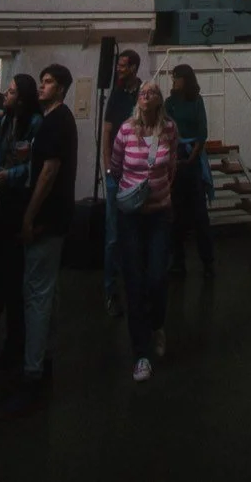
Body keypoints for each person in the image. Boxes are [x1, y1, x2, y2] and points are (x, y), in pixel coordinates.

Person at [0, 63, 75, 417]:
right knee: (47, 290)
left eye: (47, 83)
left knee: (37, 295)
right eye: (41, 82)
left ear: (60, 89)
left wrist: (29, 216)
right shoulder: (56, 121)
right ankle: (43, 358)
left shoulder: (55, 123)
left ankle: (32, 373)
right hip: (54, 219)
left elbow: (48, 171)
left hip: (46, 220)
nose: (42, 88)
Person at [108, 80, 180, 381]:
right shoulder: (126, 130)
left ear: (159, 99)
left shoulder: (169, 130)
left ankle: (157, 324)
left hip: (159, 214)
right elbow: (117, 163)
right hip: (132, 217)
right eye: (142, 92)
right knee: (134, 281)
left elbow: (172, 165)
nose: (145, 94)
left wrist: (161, 193)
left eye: (151, 91)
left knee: (157, 276)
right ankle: (140, 354)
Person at [0, 74, 39, 371]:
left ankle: (17, 343)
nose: (6, 93)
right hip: (4, 201)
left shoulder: (34, 124)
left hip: (19, 203)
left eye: (12, 91)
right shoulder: (6, 121)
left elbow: (37, 164)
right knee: (1, 271)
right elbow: (0, 153)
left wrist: (12, 176)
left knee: (17, 275)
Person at [99, 49, 140, 315]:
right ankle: (111, 290)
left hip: (136, 172)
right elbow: (107, 131)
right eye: (118, 66)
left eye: (124, 66)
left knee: (136, 232)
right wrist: (107, 167)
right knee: (113, 235)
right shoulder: (115, 95)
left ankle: (135, 286)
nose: (119, 70)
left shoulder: (142, 93)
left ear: (134, 67)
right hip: (118, 172)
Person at [165, 63, 215, 280]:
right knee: (175, 216)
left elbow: (201, 131)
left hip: (192, 160)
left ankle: (208, 263)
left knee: (200, 216)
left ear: (185, 79)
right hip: (175, 160)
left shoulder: (196, 101)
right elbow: (166, 129)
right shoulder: (170, 103)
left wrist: (192, 156)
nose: (173, 81)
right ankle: (178, 262)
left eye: (177, 77)